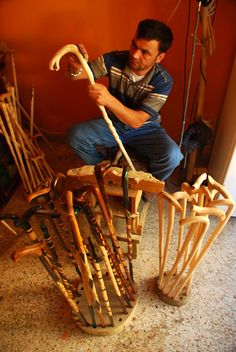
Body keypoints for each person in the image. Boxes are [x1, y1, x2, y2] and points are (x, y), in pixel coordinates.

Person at [66, 18, 183, 184]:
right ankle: (107, 175)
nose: (135, 54)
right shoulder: (114, 59)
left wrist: (108, 100)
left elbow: (136, 121)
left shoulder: (163, 81)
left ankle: (144, 188)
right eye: (134, 45)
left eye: (145, 52)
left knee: (173, 156)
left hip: (146, 129)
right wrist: (77, 66)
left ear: (160, 57)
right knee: (75, 136)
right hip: (113, 123)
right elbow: (80, 74)